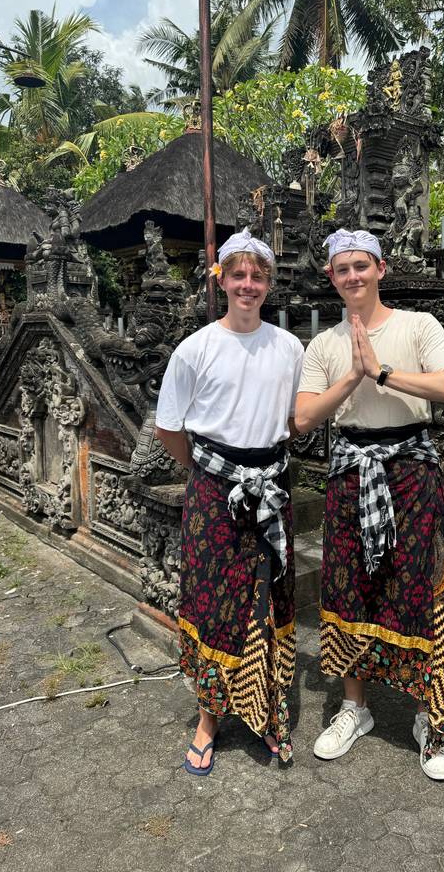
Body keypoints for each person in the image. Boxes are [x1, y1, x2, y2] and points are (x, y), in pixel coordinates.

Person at [295, 228, 444, 780]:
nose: (353, 276)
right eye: (342, 268)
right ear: (331, 277)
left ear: (381, 269)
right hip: (351, 474)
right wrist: (354, 374)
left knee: (421, 588)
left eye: (361, 265)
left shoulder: (418, 326)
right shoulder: (323, 345)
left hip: (412, 472)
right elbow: (304, 419)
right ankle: (355, 708)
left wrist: (383, 373)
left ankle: (427, 715)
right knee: (349, 588)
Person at [155, 229, 304, 775]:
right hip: (214, 491)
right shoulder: (195, 348)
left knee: (270, 598)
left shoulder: (289, 348)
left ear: (269, 284)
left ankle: (267, 712)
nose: (248, 285)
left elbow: (295, 419)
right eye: (238, 275)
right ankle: (208, 719)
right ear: (221, 280)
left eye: (257, 276)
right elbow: (169, 428)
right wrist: (207, 472)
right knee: (213, 601)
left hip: (272, 485)